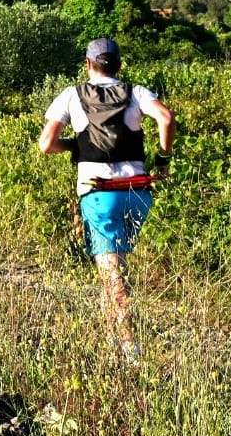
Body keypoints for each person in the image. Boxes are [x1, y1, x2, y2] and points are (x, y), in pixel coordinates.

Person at [36, 37, 175, 360]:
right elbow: (166, 119)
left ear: (88, 64)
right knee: (115, 266)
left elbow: (46, 144)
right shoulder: (136, 92)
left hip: (99, 194)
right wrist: (164, 159)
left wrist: (75, 146)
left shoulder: (72, 95)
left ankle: (130, 349)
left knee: (113, 273)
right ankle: (110, 340)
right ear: (119, 65)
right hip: (138, 192)